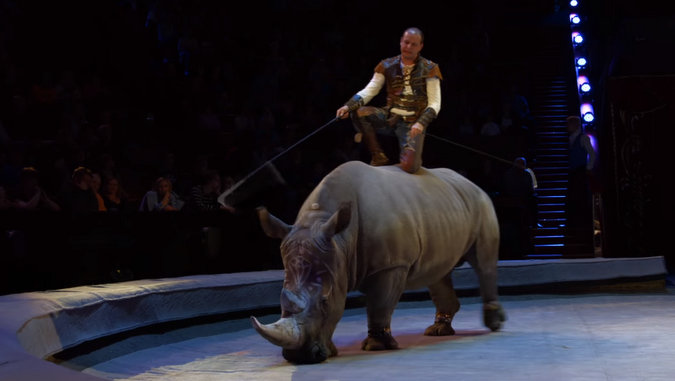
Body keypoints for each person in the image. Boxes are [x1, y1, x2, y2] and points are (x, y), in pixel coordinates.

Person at [336, 27, 442, 174]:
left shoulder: (430, 68)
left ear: (420, 46)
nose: (408, 47)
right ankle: (378, 156)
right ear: (400, 42)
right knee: (359, 112)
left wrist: (421, 123)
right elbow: (370, 90)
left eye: (413, 44)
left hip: (413, 121)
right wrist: (348, 106)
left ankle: (408, 160)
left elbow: (435, 103)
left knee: (410, 167)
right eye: (406, 42)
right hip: (390, 116)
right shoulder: (387, 65)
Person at [566, 115, 596, 229]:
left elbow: (592, 153)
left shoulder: (583, 138)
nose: (567, 127)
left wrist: (588, 168)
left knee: (579, 197)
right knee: (573, 197)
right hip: (573, 171)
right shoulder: (572, 138)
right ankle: (573, 224)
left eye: (568, 124)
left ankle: (581, 224)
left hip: (580, 170)